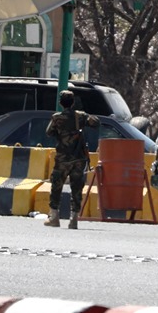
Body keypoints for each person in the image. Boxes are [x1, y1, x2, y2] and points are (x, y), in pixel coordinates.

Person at [44, 90, 98, 229]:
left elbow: (49, 132)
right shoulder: (79, 116)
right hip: (78, 159)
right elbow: (95, 123)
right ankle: (74, 219)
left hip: (62, 159)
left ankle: (54, 217)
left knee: (56, 187)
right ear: (73, 102)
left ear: (60, 103)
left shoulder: (57, 118)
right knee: (77, 188)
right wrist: (84, 116)